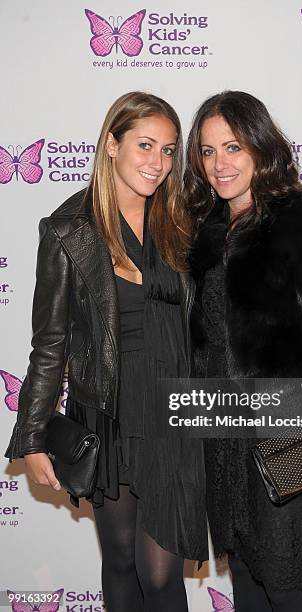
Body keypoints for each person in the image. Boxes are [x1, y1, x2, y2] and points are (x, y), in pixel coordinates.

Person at [5, 91, 208, 612]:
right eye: (145, 145)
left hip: (173, 414)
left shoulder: (182, 220)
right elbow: (50, 343)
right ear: (111, 144)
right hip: (107, 414)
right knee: (119, 561)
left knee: (159, 575)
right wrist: (31, 437)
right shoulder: (68, 230)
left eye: (168, 151)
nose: (158, 163)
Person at [184, 91, 302, 612]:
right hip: (224, 433)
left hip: (287, 432)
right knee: (244, 576)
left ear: (260, 147)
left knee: (285, 582)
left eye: (233, 147)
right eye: (209, 151)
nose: (220, 164)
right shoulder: (208, 230)